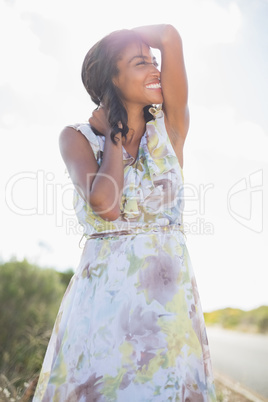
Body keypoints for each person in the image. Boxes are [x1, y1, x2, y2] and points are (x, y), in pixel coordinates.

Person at [33, 24, 217, 401]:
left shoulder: (171, 129)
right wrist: (116, 133)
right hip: (103, 301)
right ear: (111, 80)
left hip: (168, 303)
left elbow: (169, 35)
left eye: (153, 62)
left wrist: (127, 36)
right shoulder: (78, 138)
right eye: (139, 63)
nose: (154, 69)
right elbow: (107, 205)